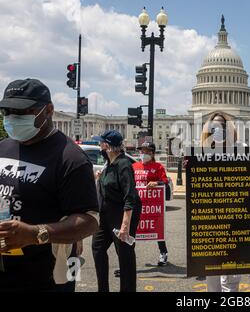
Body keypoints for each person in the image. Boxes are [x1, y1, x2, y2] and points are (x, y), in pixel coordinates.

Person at [0, 79, 99, 292]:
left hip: (46, 276)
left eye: (22, 112)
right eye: (6, 111)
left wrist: (36, 233)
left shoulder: (71, 158)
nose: (12, 118)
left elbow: (89, 221)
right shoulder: (3, 148)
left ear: (48, 111)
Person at [92, 130, 142, 292]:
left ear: (107, 145)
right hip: (106, 214)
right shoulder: (109, 162)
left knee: (125, 254)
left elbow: (130, 197)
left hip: (122, 214)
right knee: (97, 248)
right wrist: (100, 177)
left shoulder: (124, 165)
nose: (99, 145)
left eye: (101, 143)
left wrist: (125, 226)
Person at [201, 112, 241, 292]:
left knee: (231, 272)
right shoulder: (200, 153)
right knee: (212, 274)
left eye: (222, 125)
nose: (218, 129)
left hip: (234, 216)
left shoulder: (241, 150)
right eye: (214, 125)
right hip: (210, 218)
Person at [133, 141, 170, 266]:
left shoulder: (158, 167)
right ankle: (128, 257)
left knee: (158, 229)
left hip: (152, 206)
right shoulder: (134, 166)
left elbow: (165, 181)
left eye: (146, 151)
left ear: (152, 153)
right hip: (136, 204)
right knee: (133, 230)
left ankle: (163, 253)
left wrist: (156, 183)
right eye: (141, 150)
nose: (143, 153)